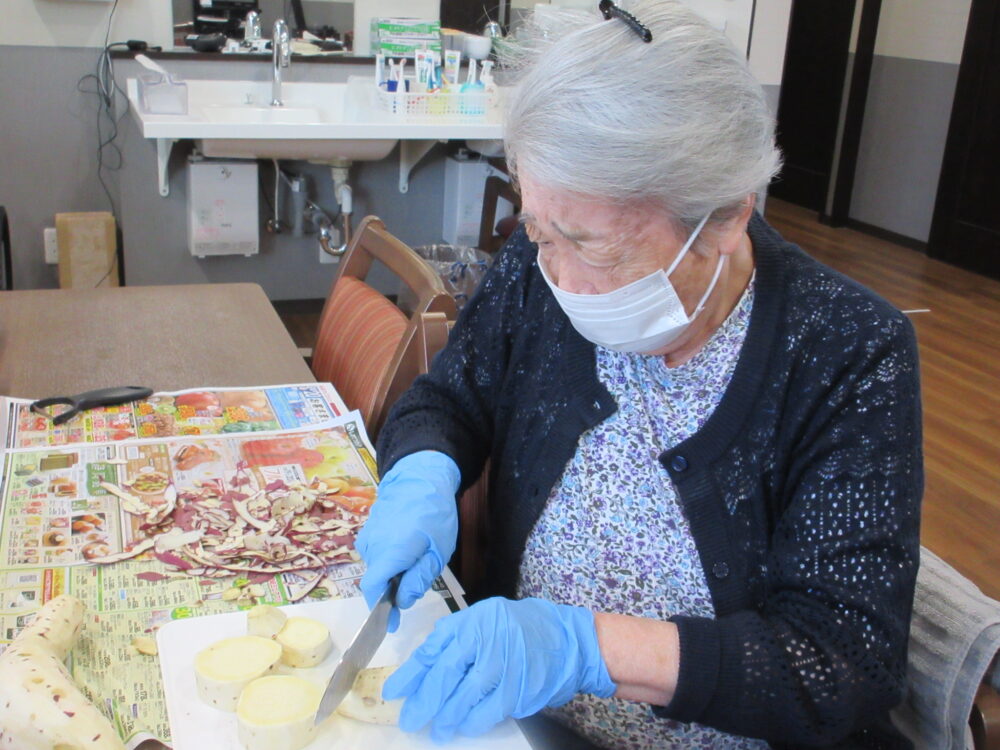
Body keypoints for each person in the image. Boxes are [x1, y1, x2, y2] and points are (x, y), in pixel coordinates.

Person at [356, 1, 923, 747]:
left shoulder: (848, 351)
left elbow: (840, 664)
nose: (555, 275)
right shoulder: (541, 265)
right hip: (519, 726)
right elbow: (453, 395)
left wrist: (584, 649)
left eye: (594, 250)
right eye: (536, 230)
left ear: (722, 218)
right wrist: (421, 473)